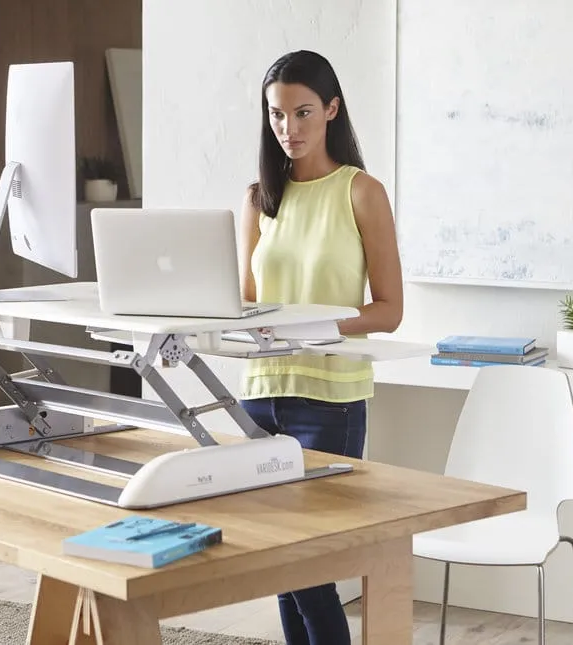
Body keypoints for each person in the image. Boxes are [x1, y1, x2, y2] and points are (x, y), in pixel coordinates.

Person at [237, 50, 404, 645]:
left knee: (310, 571)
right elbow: (250, 300)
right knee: (281, 567)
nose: (290, 129)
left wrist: (315, 328)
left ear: (332, 109)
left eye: (303, 112)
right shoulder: (261, 199)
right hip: (260, 396)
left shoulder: (361, 192)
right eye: (277, 116)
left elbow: (389, 309)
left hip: (328, 401)